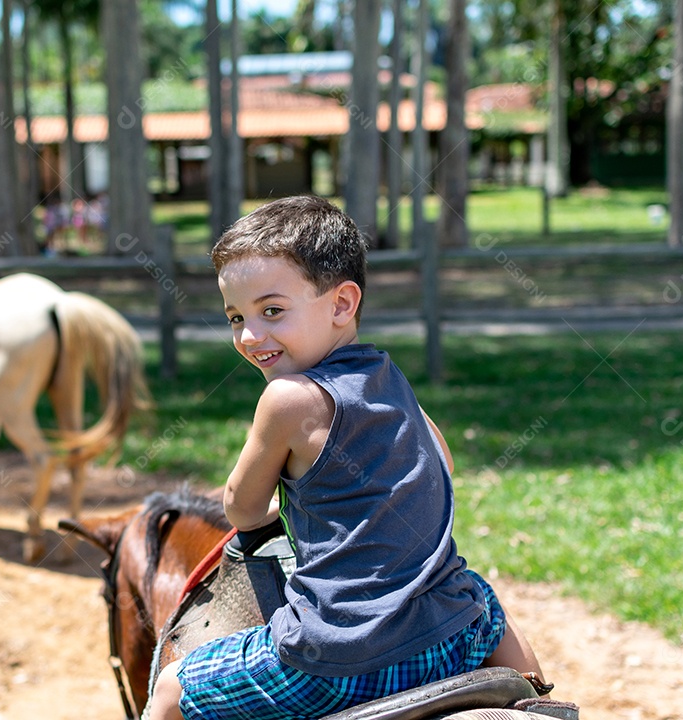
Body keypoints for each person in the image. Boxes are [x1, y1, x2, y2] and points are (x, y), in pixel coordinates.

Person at [149, 196, 548, 720]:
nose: (250, 336)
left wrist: (280, 513)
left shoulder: (287, 398)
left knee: (173, 690)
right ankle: (540, 693)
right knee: (476, 592)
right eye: (235, 318)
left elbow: (241, 510)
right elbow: (442, 463)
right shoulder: (389, 374)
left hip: (336, 660)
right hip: (455, 636)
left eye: (272, 311)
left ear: (341, 304)